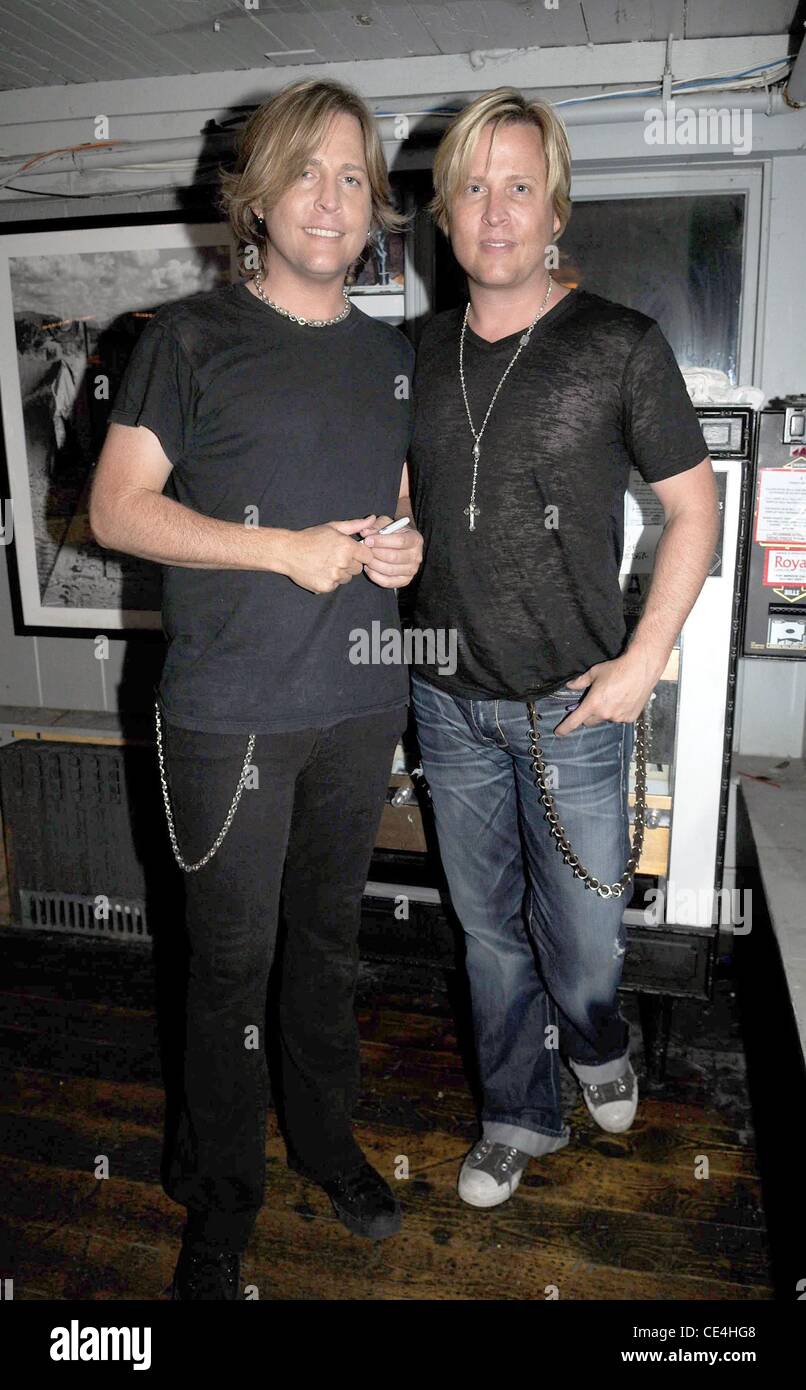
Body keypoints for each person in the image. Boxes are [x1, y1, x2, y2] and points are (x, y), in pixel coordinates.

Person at [89, 77, 423, 1299]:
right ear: (258, 197)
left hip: (356, 704)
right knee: (228, 970)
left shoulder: (392, 356)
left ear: (373, 203)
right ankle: (221, 1198)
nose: (328, 198)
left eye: (351, 176)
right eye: (305, 173)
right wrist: (279, 547)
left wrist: (403, 547)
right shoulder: (187, 340)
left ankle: (328, 1145)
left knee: (325, 954)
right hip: (226, 716)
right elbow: (119, 509)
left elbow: (395, 514)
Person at [407, 88, 720, 1209]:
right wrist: (392, 540)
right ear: (444, 215)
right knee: (487, 936)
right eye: (472, 188)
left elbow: (695, 508)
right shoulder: (412, 354)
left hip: (577, 708)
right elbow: (404, 501)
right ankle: (515, 1115)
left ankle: (597, 1040)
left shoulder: (619, 345)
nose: (494, 213)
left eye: (518, 188)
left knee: (581, 941)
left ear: (554, 215)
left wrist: (641, 662)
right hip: (446, 702)